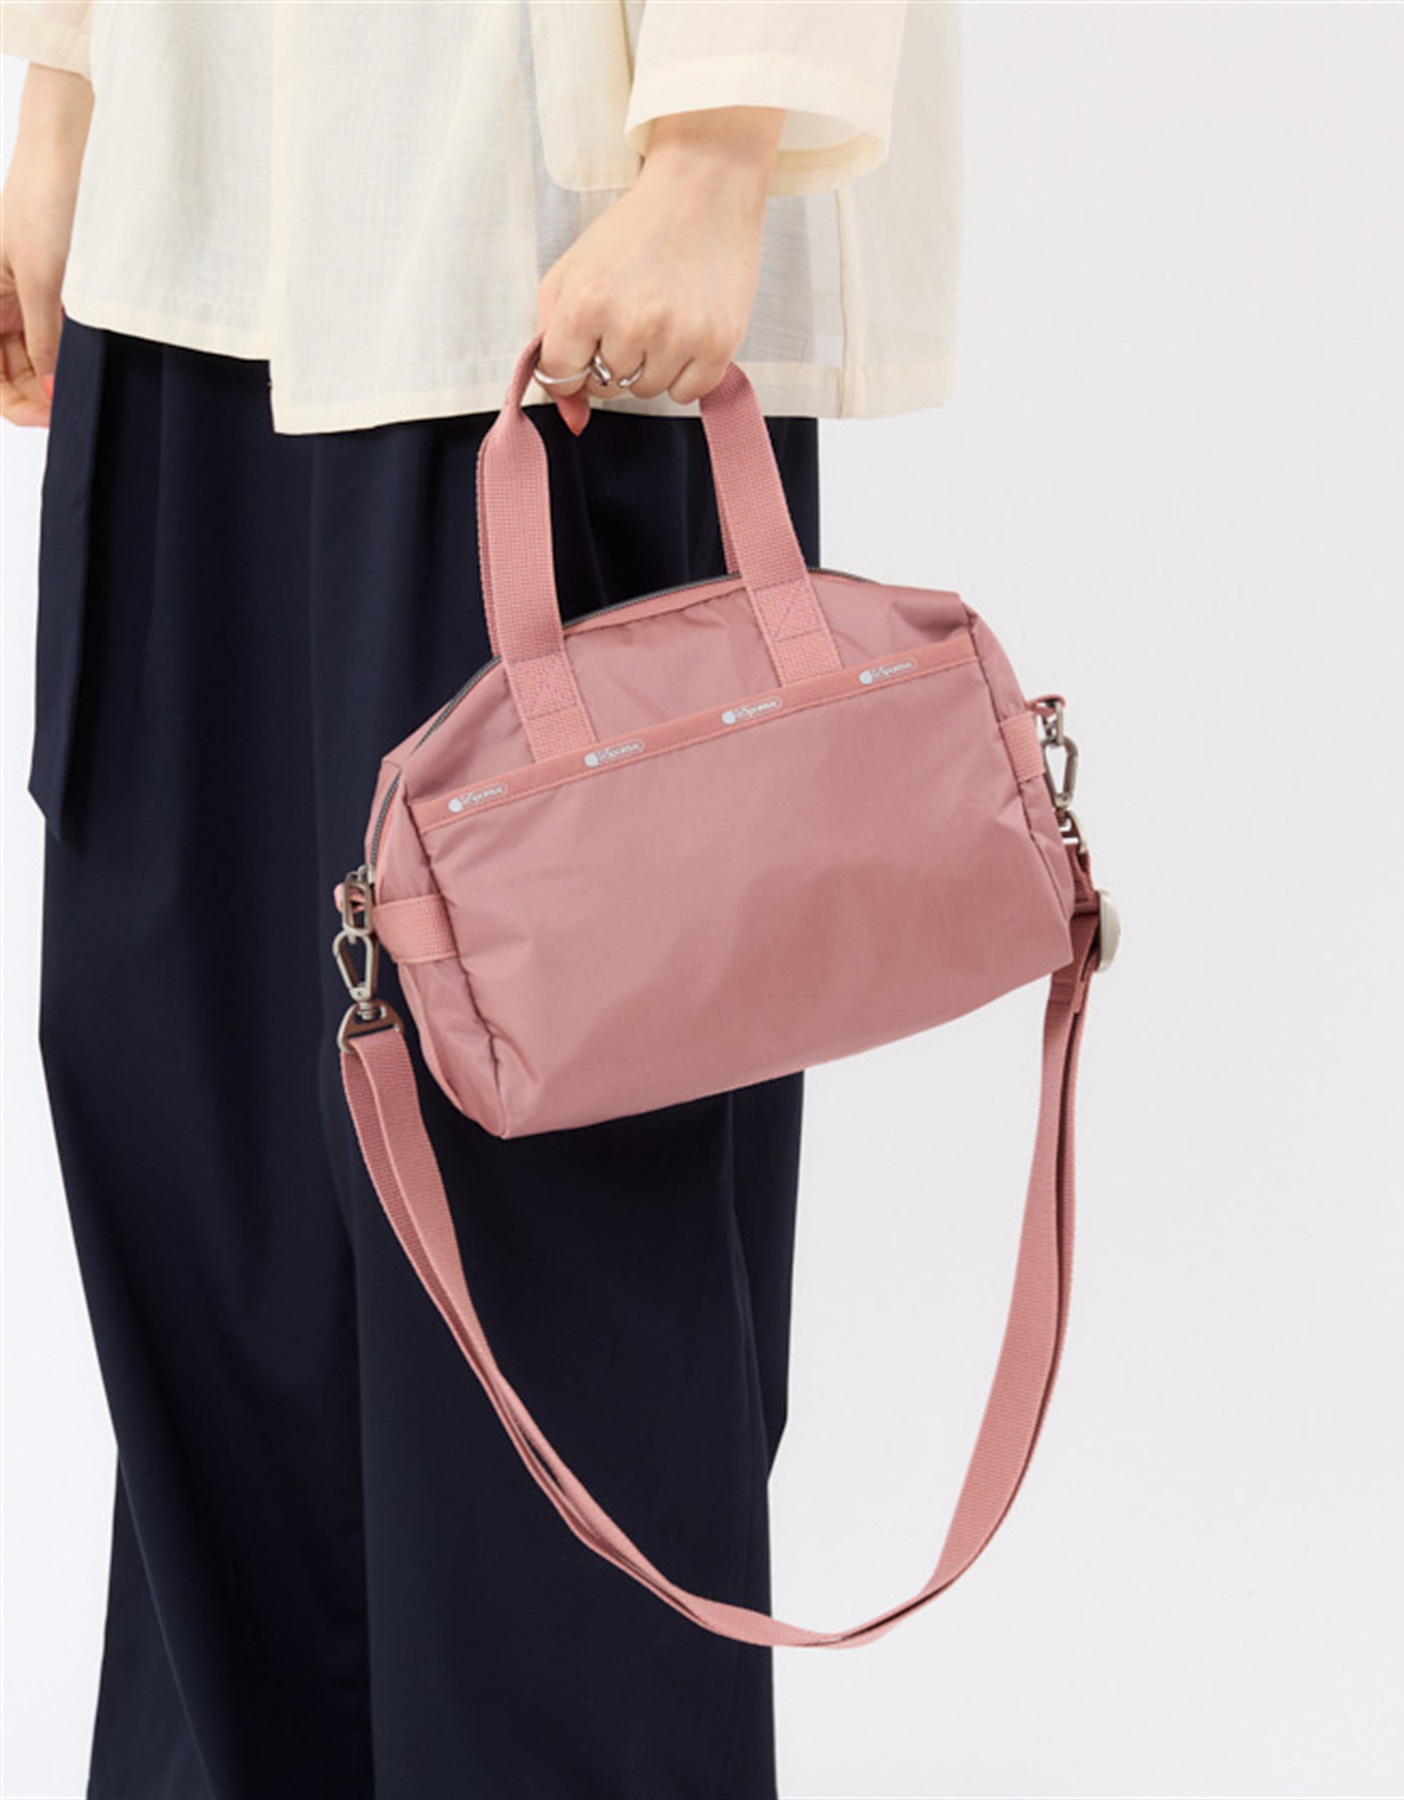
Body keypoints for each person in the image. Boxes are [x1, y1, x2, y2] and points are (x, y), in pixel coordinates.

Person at [0, 4, 961, 1794]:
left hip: (531, 259)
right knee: (198, 1156)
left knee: (536, 1239)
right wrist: (63, 97)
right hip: (181, 205)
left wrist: (722, 138)